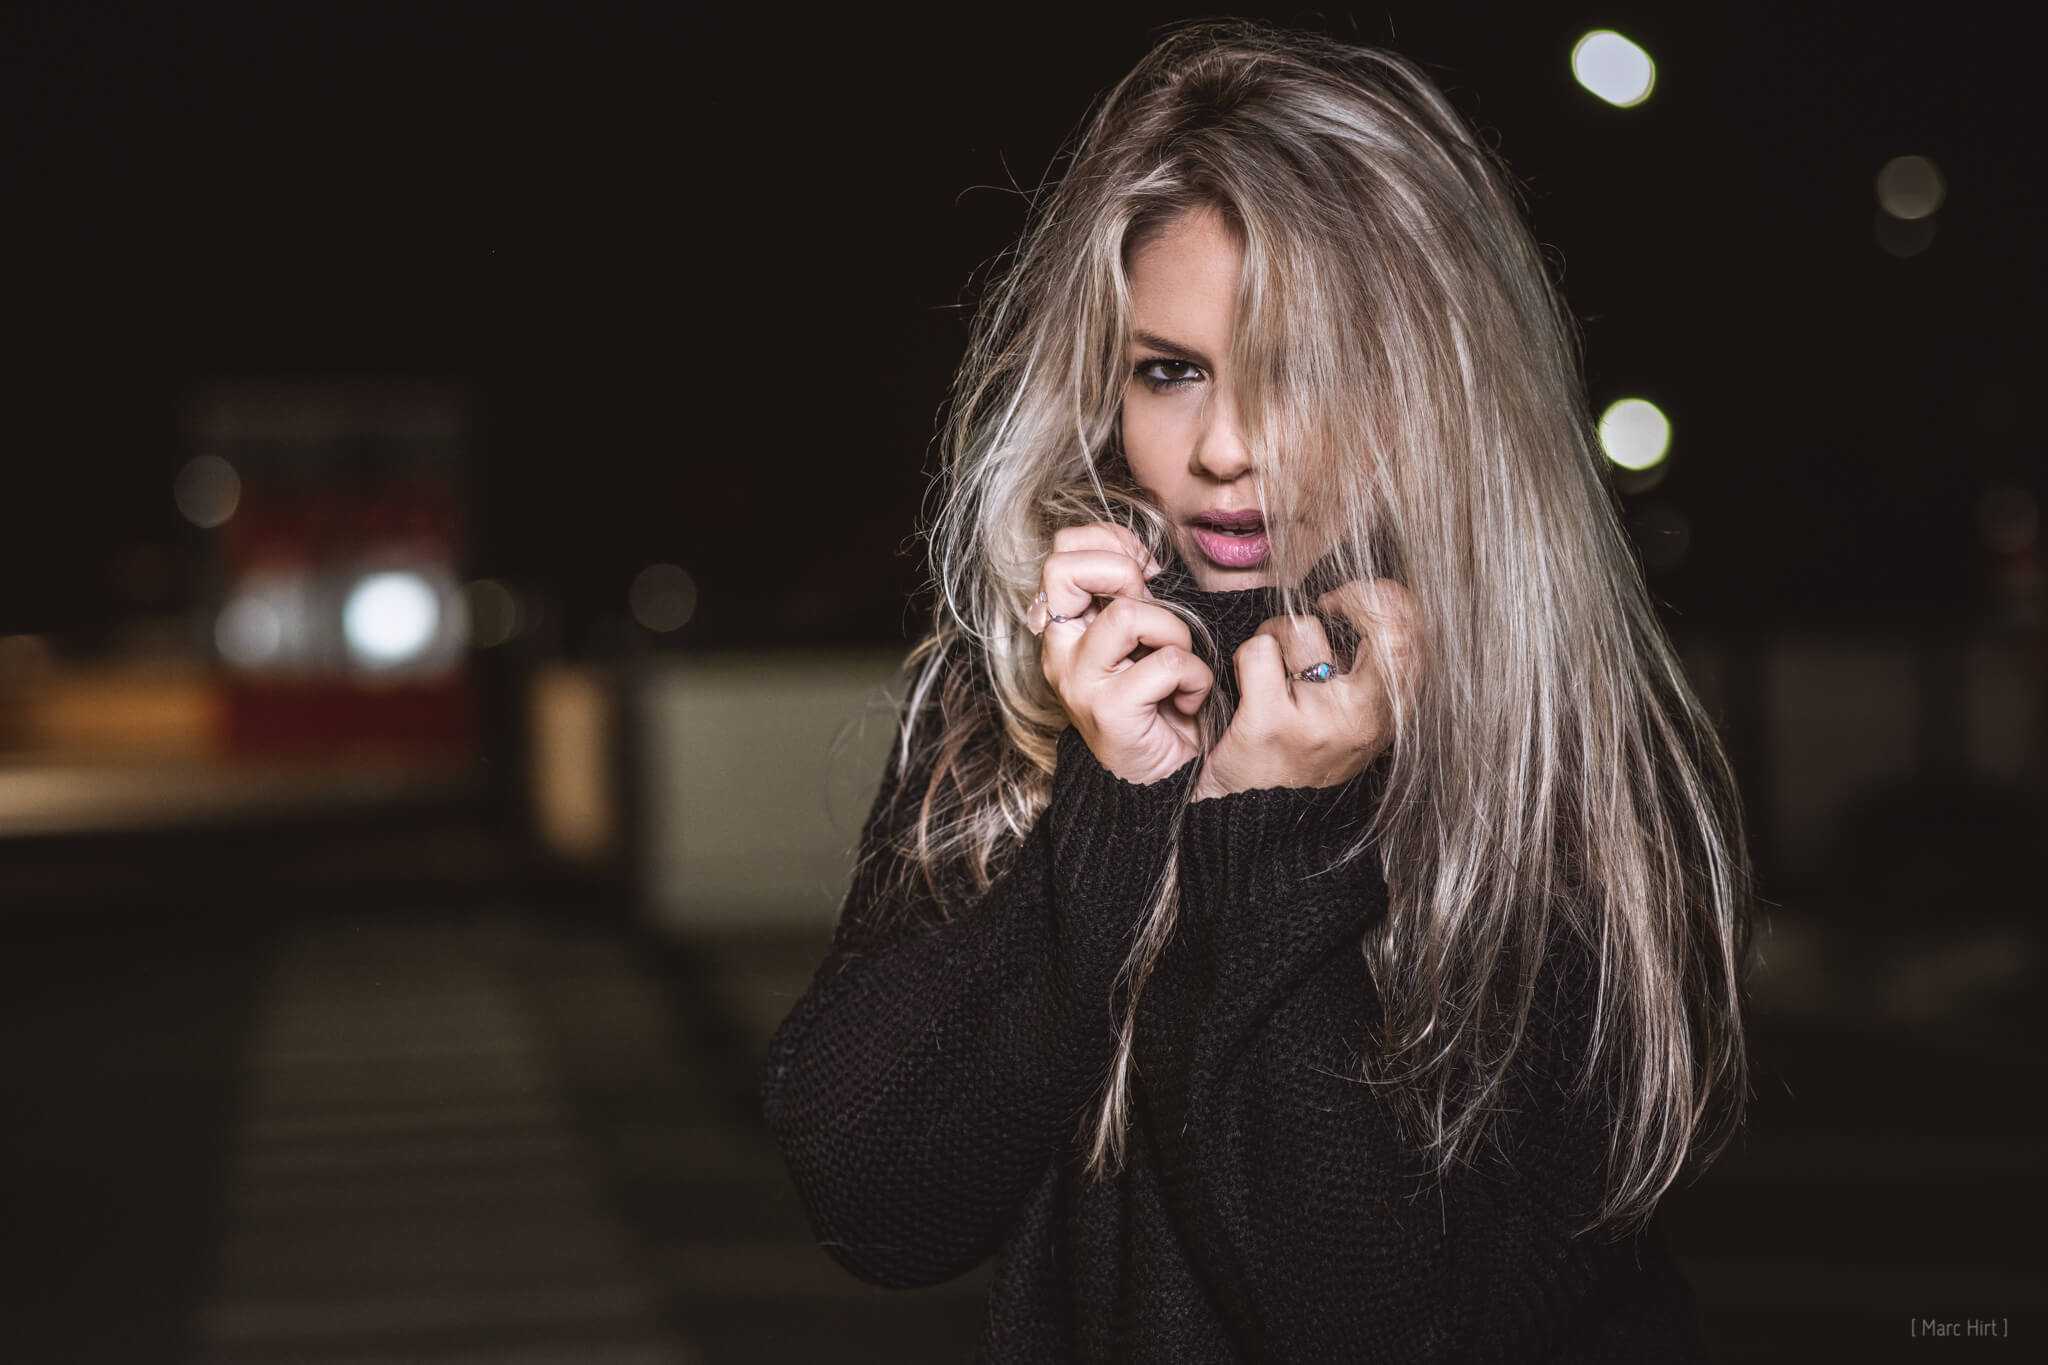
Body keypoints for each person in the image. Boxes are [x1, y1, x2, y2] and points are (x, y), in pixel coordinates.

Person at [762, 20, 1749, 1363]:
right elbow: (878, 1209)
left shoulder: (1559, 744)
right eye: (1170, 370)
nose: (1224, 447)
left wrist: (1272, 836)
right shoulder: (1034, 690)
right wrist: (1111, 811)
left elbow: (1380, 1322)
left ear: (1436, 383)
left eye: (1305, 368)